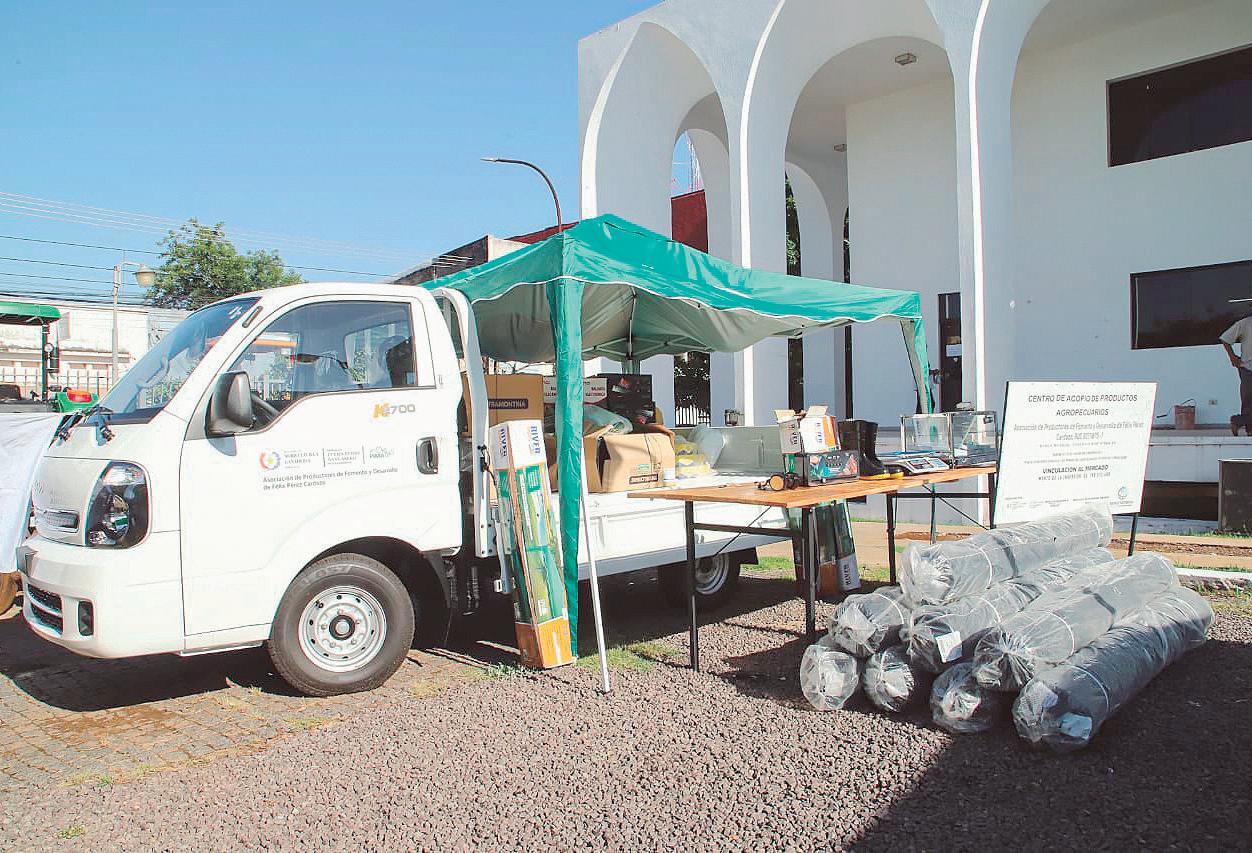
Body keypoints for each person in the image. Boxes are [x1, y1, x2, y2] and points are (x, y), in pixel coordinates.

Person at [1220, 314, 1252, 435]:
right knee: (1249, 401)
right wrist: (1232, 357)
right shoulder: (1245, 323)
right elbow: (1225, 338)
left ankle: (1244, 425)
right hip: (1248, 368)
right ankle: (1241, 423)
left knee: (1249, 403)